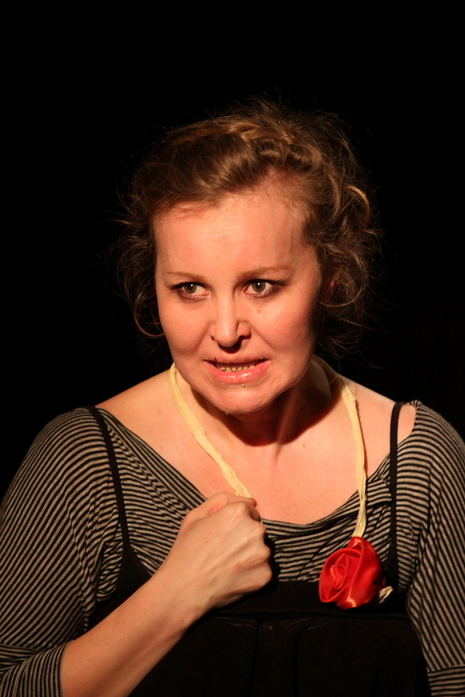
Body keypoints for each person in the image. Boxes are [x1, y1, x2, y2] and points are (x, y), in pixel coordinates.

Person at [1, 100, 464, 697]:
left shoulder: (419, 459)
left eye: (260, 286)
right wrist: (175, 595)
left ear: (330, 277)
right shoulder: (84, 462)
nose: (224, 331)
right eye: (190, 288)